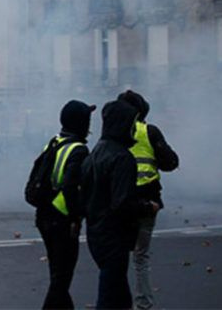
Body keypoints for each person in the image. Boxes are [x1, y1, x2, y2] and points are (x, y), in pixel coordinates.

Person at [80, 100, 159, 309]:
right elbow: (122, 202)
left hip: (96, 232)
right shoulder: (121, 157)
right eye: (132, 124)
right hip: (114, 235)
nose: (134, 129)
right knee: (110, 295)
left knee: (118, 294)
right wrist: (147, 207)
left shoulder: (95, 153)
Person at [116, 90, 179, 310]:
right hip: (147, 202)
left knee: (118, 257)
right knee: (141, 258)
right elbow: (171, 162)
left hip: (120, 202)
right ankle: (143, 304)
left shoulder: (113, 134)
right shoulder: (149, 132)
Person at [34, 100, 94, 309]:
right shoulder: (78, 150)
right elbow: (70, 187)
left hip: (44, 216)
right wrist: (77, 217)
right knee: (61, 280)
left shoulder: (53, 143)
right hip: (62, 219)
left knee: (57, 275)